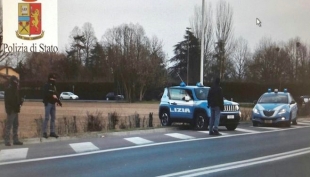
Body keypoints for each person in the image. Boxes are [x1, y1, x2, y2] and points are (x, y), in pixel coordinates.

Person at [4, 76, 24, 146]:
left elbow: (17, 98)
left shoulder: (15, 89)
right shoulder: (9, 90)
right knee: (9, 125)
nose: (17, 83)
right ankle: (7, 140)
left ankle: (15, 140)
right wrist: (18, 104)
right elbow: (10, 100)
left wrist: (20, 101)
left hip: (15, 109)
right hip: (11, 109)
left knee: (15, 125)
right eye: (16, 81)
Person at [42, 73, 62, 138]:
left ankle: (52, 132)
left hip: (53, 103)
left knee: (53, 118)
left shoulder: (54, 86)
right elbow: (45, 94)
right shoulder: (46, 85)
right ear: (49, 78)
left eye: (54, 78)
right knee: (47, 118)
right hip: (48, 103)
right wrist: (51, 96)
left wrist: (58, 101)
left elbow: (56, 94)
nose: (53, 80)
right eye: (52, 78)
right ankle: (44, 132)